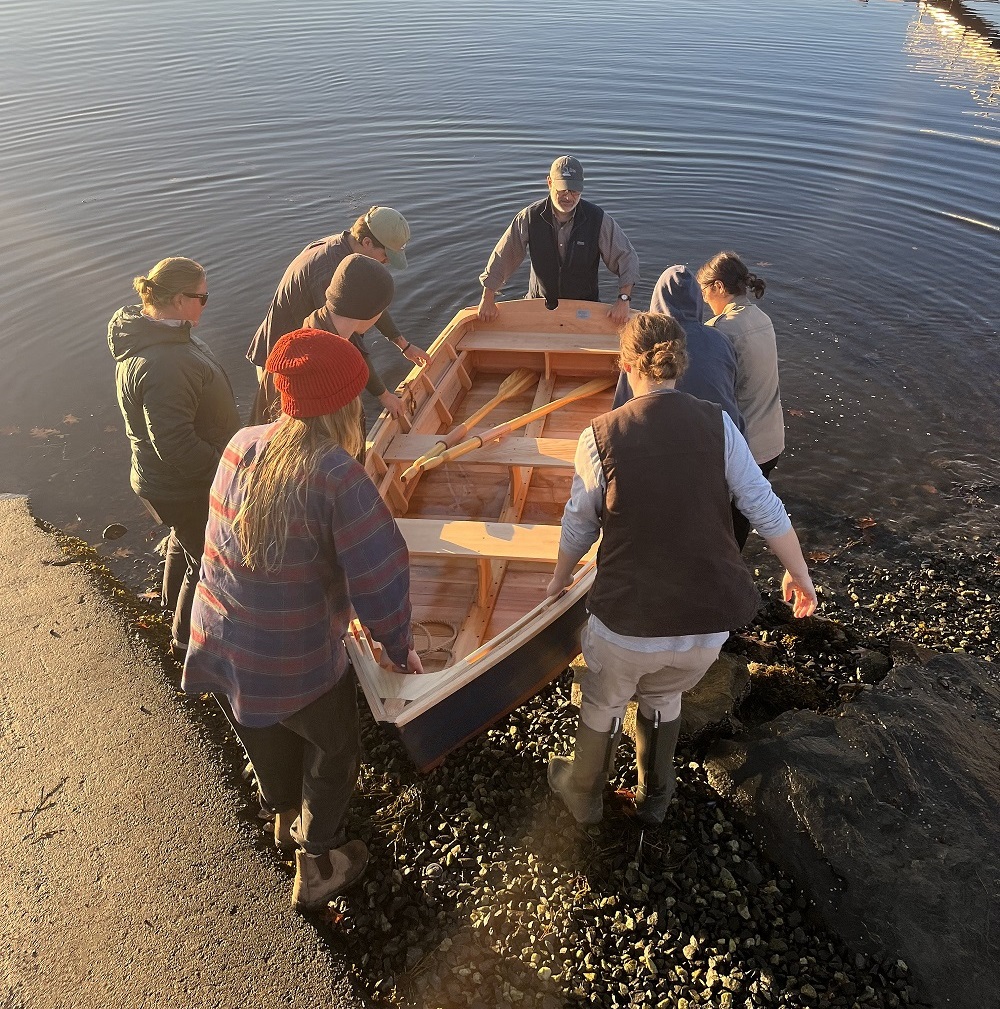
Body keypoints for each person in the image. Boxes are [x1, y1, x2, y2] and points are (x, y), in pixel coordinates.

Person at [182, 329, 424, 913]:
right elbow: (380, 571)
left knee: (261, 723)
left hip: (218, 639)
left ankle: (283, 814)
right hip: (292, 658)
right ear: (346, 406)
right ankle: (317, 861)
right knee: (336, 747)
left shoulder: (242, 443)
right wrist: (398, 646)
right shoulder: (336, 473)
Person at [546, 313, 816, 828]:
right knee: (665, 694)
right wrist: (800, 575)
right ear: (680, 366)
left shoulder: (600, 435)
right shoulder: (718, 424)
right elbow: (764, 507)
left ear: (625, 367)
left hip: (627, 624)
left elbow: (578, 526)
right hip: (704, 630)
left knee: (603, 700)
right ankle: (656, 797)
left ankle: (583, 793)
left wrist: (558, 583)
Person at [108, 256, 240, 659]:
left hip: (161, 482)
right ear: (180, 300)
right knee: (207, 561)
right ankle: (185, 645)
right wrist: (228, 468)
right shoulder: (165, 361)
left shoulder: (160, 336)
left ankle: (167, 604)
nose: (206, 304)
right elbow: (175, 445)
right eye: (203, 297)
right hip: (183, 486)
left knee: (183, 543)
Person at [246, 206, 429, 422]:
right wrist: (384, 395)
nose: (386, 263)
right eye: (386, 256)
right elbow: (347, 343)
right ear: (368, 242)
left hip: (308, 350)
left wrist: (403, 344)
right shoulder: (330, 270)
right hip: (283, 365)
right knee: (288, 431)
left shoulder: (350, 251)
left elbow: (371, 303)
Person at [477, 156, 640, 326]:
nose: (568, 197)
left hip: (584, 309)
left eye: (574, 190)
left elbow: (627, 258)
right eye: (563, 189)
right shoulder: (529, 217)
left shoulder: (598, 220)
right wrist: (487, 297)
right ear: (549, 183)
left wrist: (623, 299)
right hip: (540, 306)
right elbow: (503, 257)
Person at [698, 252, 784, 549]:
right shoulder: (763, 318)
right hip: (772, 440)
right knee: (744, 517)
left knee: (724, 523)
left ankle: (723, 579)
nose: (704, 299)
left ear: (719, 287)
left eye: (704, 290)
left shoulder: (721, 330)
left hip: (745, 448)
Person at [611, 265, 743, 431]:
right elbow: (732, 394)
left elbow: (622, 408)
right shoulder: (722, 341)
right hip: (725, 433)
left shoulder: (646, 341)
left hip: (667, 435)